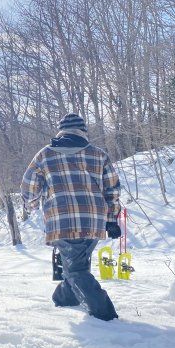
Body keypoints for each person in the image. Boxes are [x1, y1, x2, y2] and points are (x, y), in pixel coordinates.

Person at [21, 113, 122, 321]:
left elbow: (30, 189)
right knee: (77, 263)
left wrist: (31, 203)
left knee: (76, 267)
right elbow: (112, 189)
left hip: (61, 220)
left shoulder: (44, 155)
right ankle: (65, 298)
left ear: (60, 130)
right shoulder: (98, 154)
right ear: (83, 131)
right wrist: (112, 219)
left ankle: (105, 315)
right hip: (93, 220)